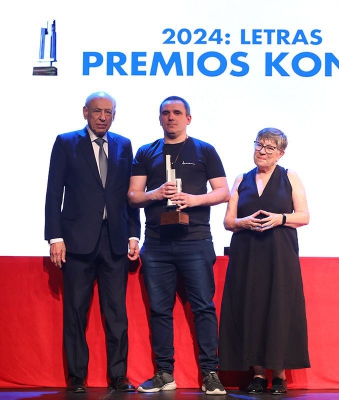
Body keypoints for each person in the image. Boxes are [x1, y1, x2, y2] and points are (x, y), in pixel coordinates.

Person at [128, 96, 230, 395]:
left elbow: (223, 191)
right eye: (165, 113)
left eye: (177, 112)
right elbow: (133, 195)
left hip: (195, 241)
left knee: (203, 308)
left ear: (188, 118)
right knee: (160, 310)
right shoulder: (146, 152)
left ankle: (210, 373)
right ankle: (164, 373)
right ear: (159, 118)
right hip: (157, 243)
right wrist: (156, 193)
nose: (171, 117)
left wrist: (194, 200)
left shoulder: (204, 150)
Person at [44, 91, 141, 393]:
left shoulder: (124, 144)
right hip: (76, 241)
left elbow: (130, 194)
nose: (102, 117)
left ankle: (119, 375)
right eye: (97, 111)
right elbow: (53, 192)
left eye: (108, 112)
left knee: (116, 313)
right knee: (75, 310)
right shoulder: (66, 142)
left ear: (114, 115)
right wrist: (55, 236)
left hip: (114, 240)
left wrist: (134, 233)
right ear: (85, 112)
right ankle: (76, 377)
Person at [219, 127, 310, 395]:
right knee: (251, 308)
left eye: (270, 148)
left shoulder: (289, 177)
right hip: (247, 254)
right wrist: (244, 222)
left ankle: (279, 375)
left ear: (280, 154)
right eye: (259, 145)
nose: (262, 151)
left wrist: (280, 218)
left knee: (279, 308)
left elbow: (304, 216)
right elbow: (228, 221)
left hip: (279, 254)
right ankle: (258, 374)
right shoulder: (241, 179)